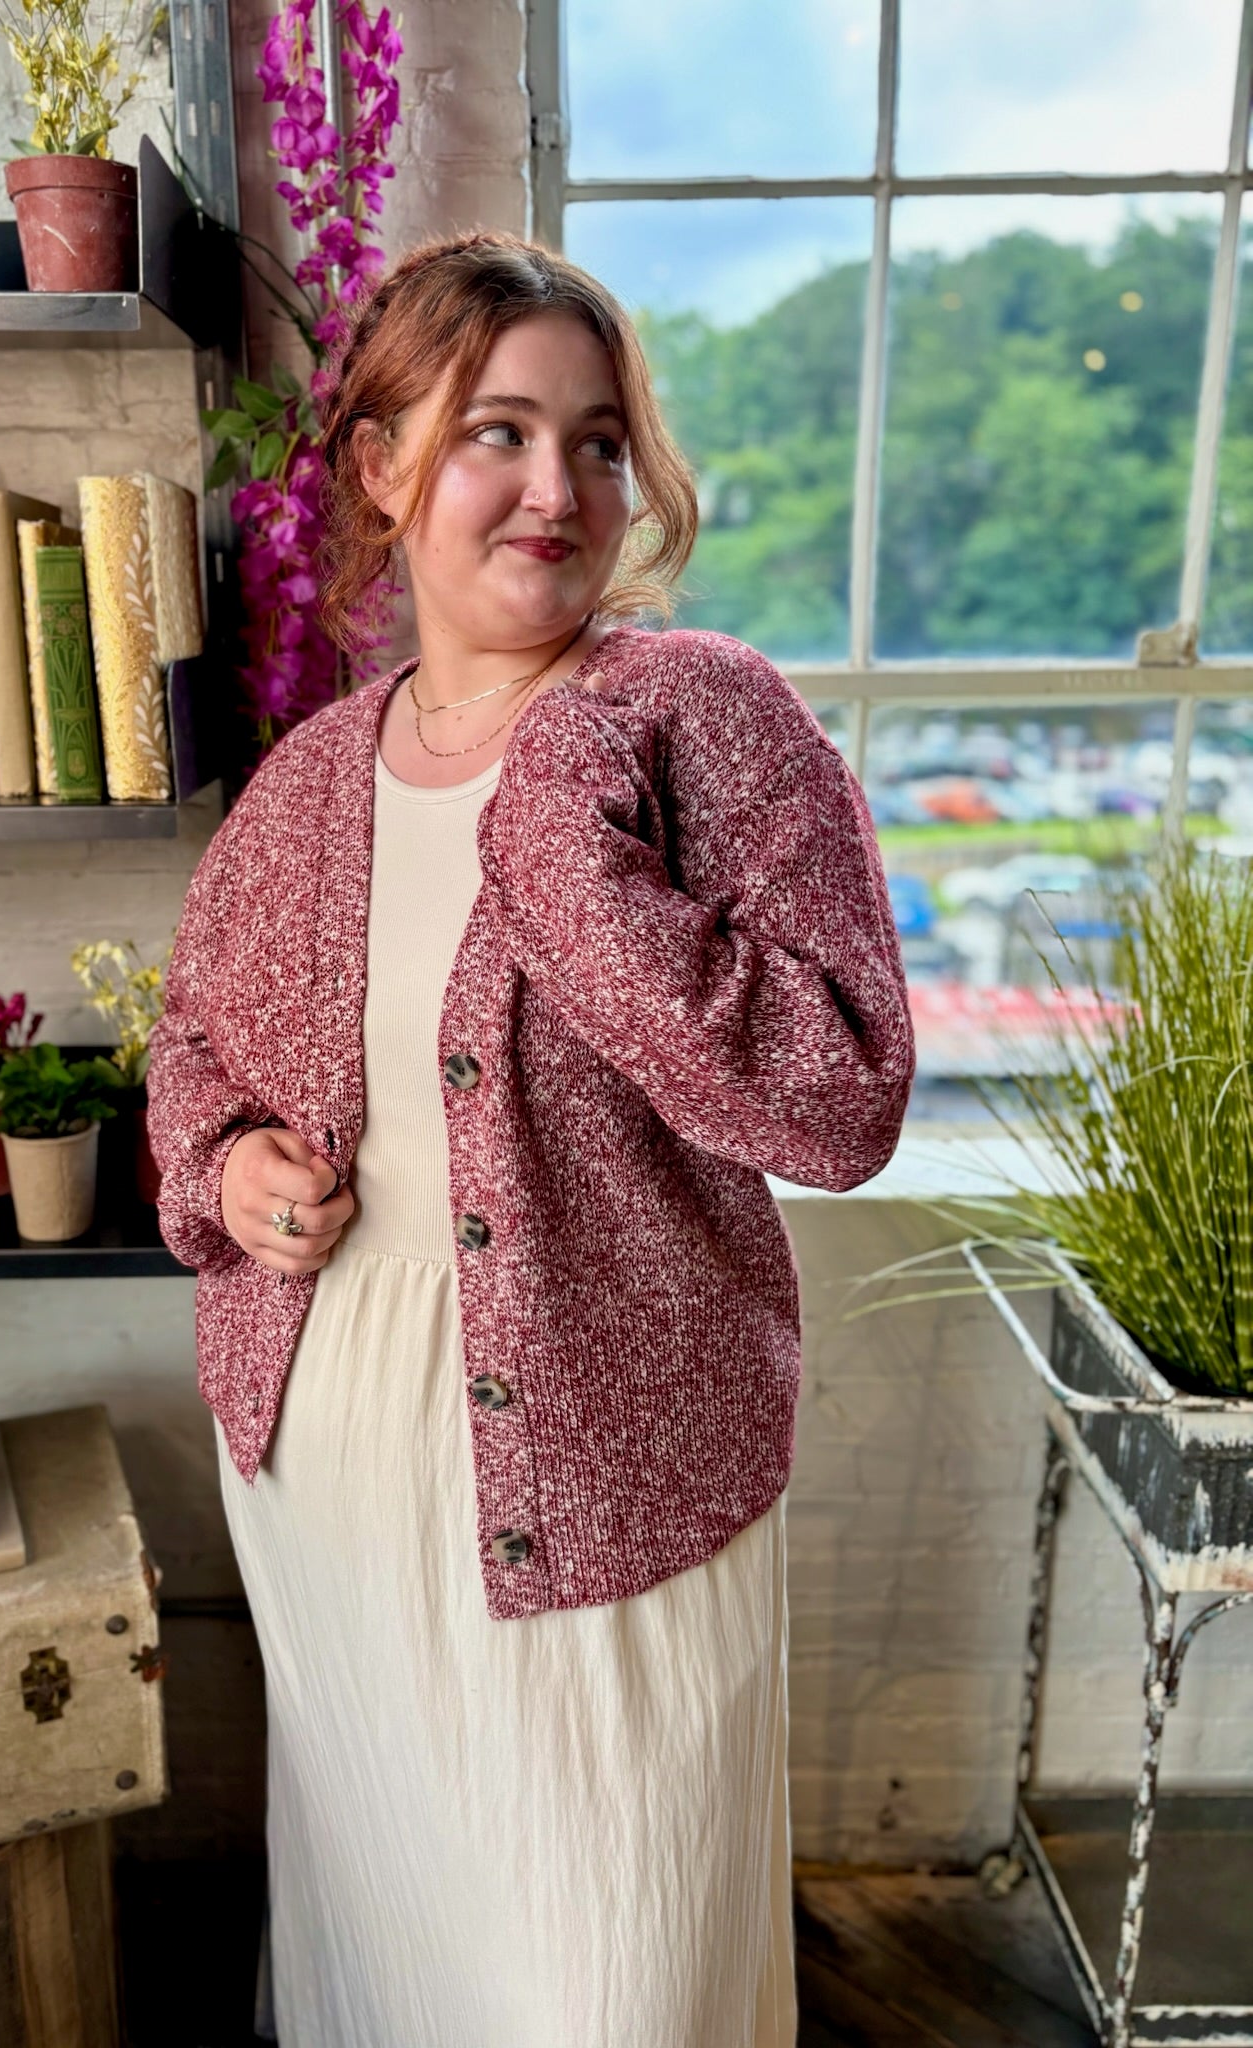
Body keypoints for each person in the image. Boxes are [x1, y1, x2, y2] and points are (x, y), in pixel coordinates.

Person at [147, 227, 915, 2048]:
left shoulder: (699, 719)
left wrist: (580, 870)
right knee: (400, 1954)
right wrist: (230, 1169)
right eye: (497, 431)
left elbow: (843, 1097)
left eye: (596, 441)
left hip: (612, 1478)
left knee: (610, 1983)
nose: (556, 489)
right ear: (383, 467)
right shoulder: (310, 780)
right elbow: (194, 1059)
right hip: (331, 1478)